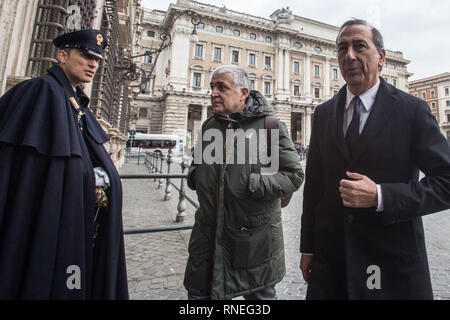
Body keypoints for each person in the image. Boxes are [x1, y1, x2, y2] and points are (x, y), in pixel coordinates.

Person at [299, 19, 450, 299]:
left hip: (391, 263)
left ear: (381, 57)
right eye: (342, 48)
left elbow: (446, 183)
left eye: (360, 46)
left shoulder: (411, 111)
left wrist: (382, 196)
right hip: (332, 263)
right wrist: (308, 248)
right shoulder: (323, 114)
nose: (350, 55)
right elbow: (314, 190)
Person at [0, 29, 128, 299]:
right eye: (85, 56)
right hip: (40, 220)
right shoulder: (40, 91)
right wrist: (90, 177)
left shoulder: (74, 100)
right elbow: (32, 169)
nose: (93, 63)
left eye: (97, 59)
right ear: (62, 55)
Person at [184, 65, 304, 300]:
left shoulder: (269, 127)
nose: (213, 93)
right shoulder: (210, 126)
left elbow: (294, 175)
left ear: (243, 92)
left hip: (254, 242)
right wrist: (195, 177)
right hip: (207, 238)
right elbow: (197, 166)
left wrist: (253, 184)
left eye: (222, 87)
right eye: (212, 87)